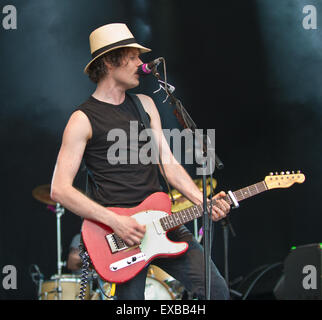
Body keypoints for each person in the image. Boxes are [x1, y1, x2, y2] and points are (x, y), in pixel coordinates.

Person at [50, 23, 231, 300]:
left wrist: (202, 202)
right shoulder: (82, 119)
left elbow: (168, 164)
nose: (141, 63)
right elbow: (60, 189)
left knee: (216, 291)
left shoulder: (145, 104)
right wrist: (116, 221)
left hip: (164, 222)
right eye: (133, 56)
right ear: (110, 61)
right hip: (120, 235)